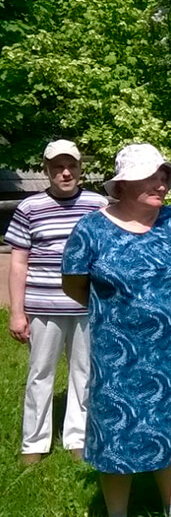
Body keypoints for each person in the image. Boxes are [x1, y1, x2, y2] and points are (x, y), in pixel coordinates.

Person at [61, 144, 171, 517]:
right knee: (117, 428)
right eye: (150, 176)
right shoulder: (92, 229)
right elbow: (75, 284)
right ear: (122, 185)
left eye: (163, 176)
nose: (161, 183)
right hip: (118, 354)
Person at [5, 140, 107, 465]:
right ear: (46, 170)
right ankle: (33, 443)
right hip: (43, 306)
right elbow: (19, 262)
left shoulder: (98, 205)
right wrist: (17, 312)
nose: (65, 173)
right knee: (39, 374)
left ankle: (78, 438)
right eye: (57, 167)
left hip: (88, 307)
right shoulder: (30, 207)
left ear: (80, 168)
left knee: (85, 373)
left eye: (72, 166)